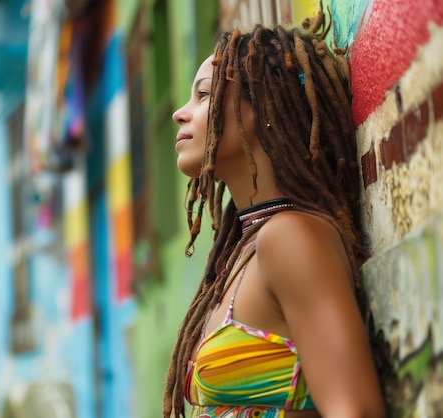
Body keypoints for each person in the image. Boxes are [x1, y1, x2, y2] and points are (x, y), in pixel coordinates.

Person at [163, 14, 386, 418]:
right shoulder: (241, 257)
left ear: (263, 105)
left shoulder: (290, 237)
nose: (181, 113)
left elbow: (357, 410)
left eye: (204, 95)